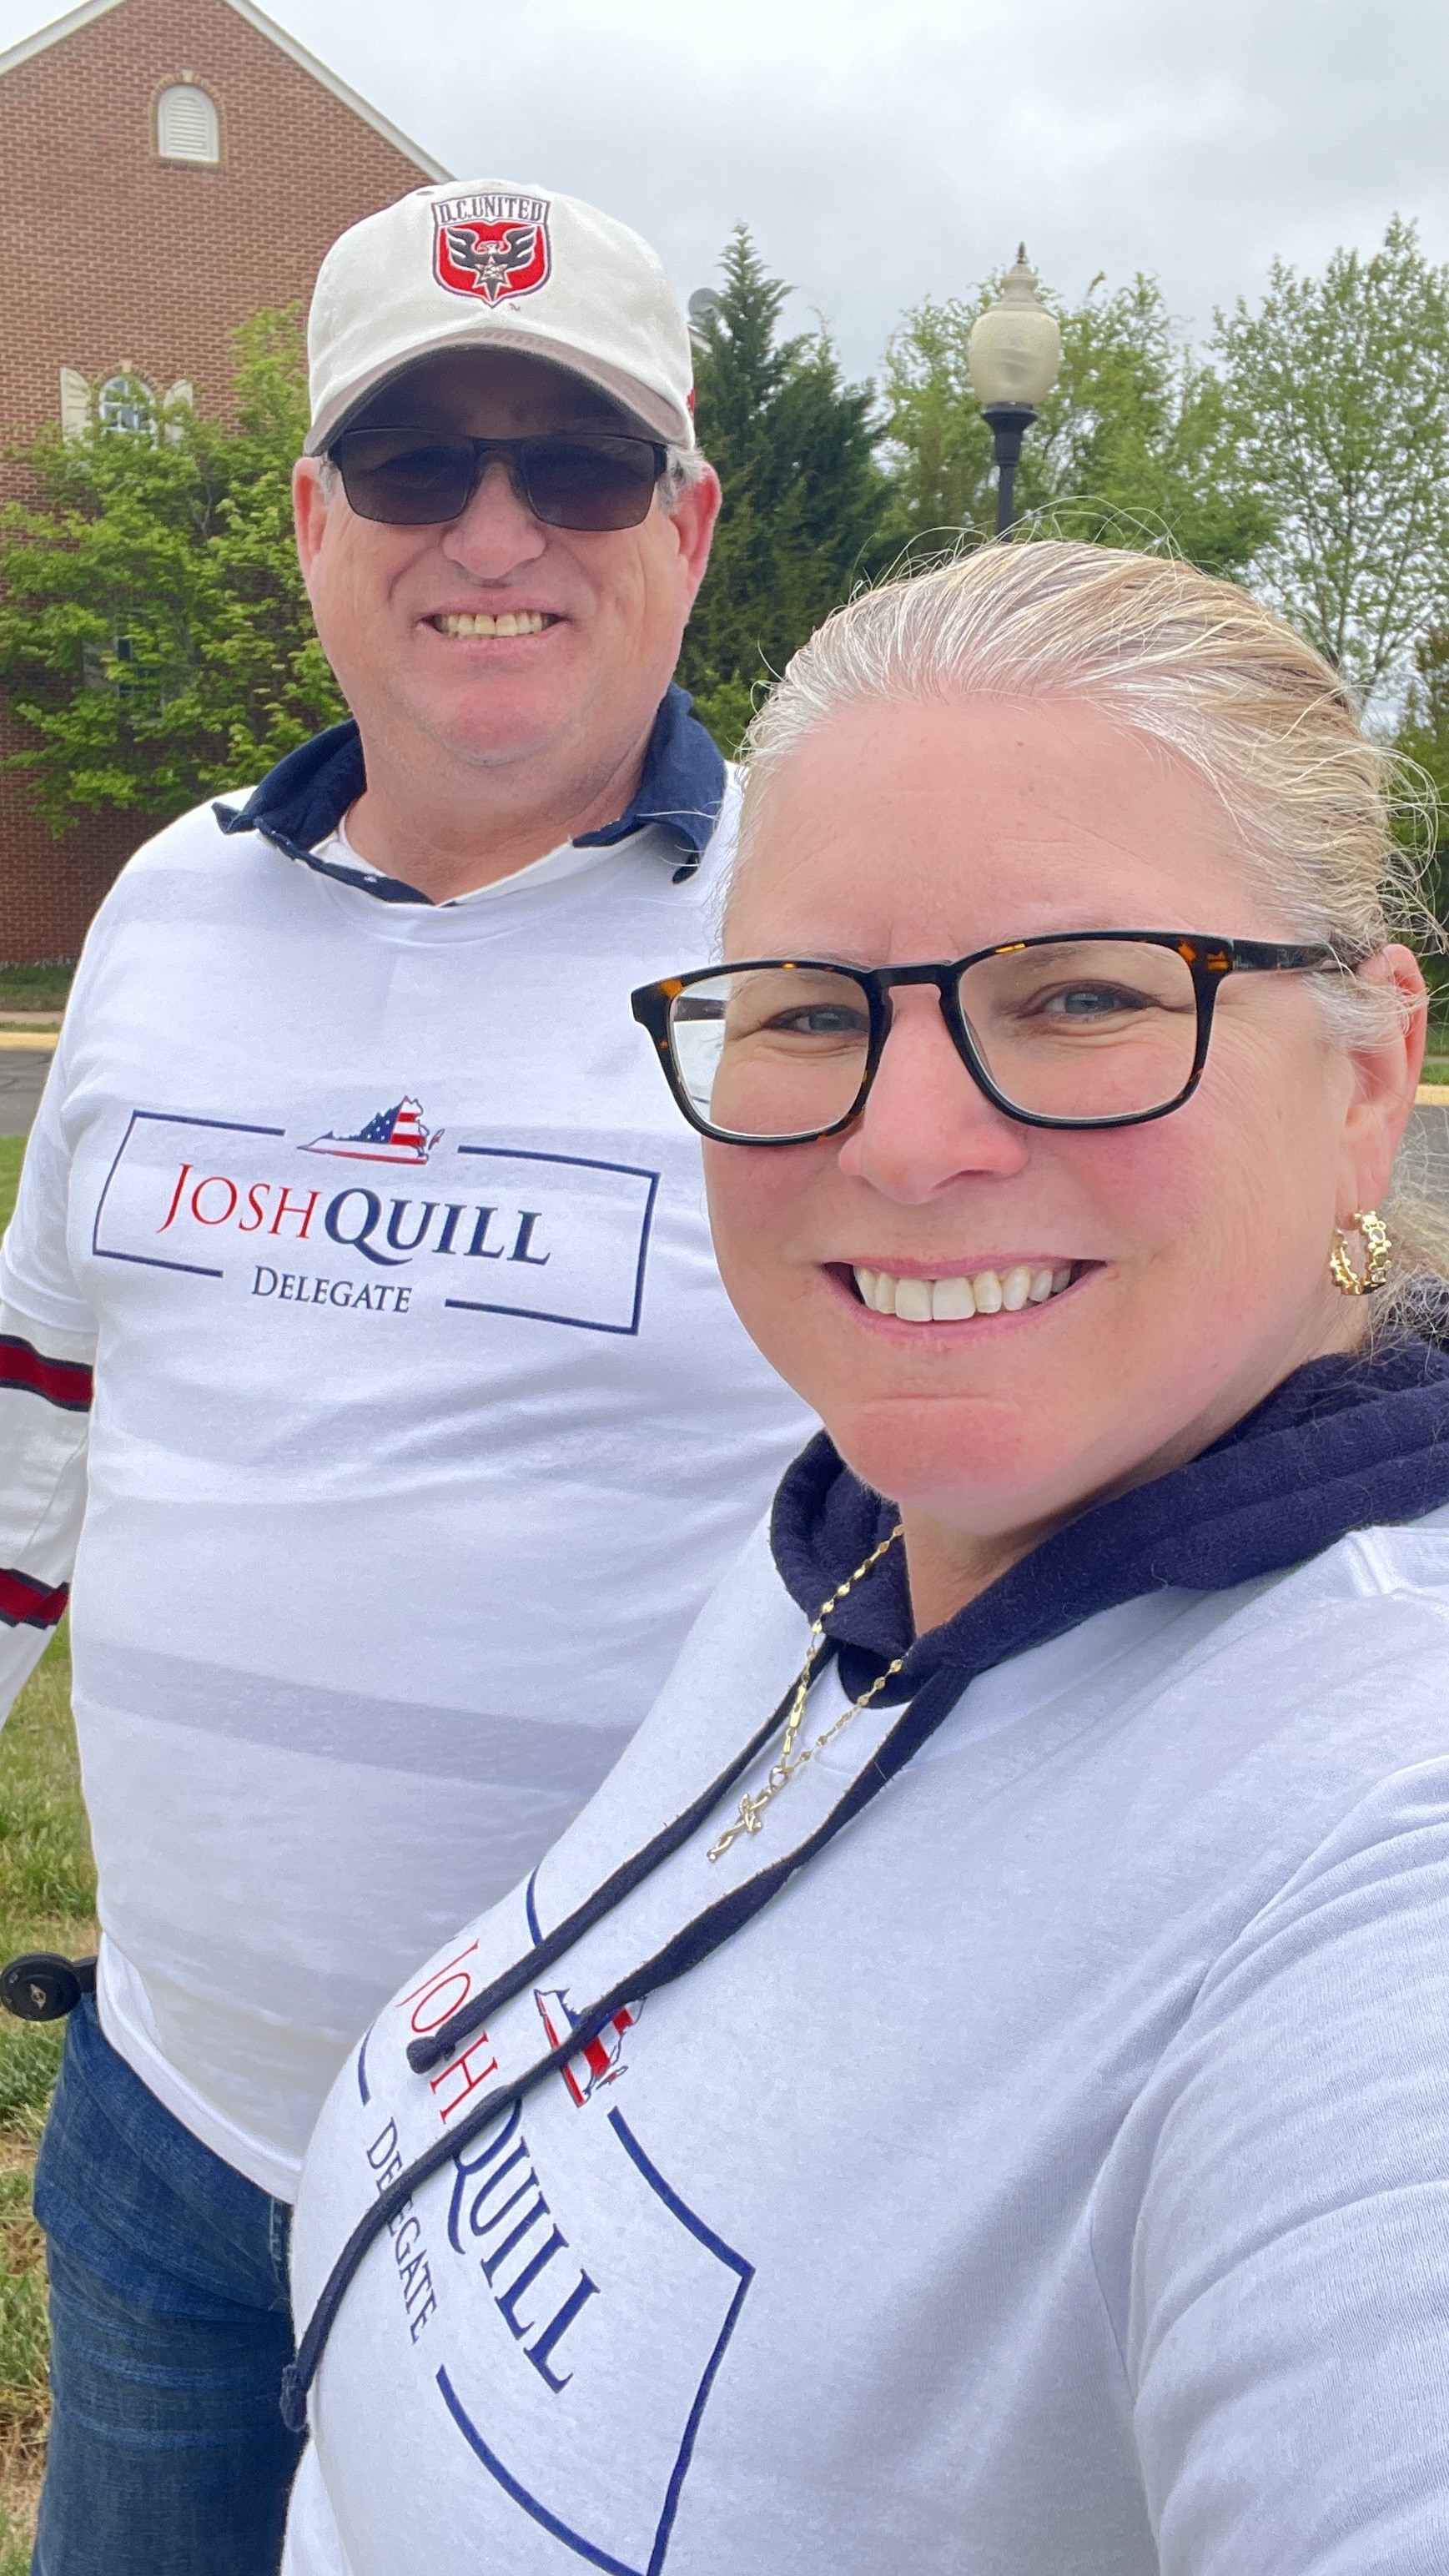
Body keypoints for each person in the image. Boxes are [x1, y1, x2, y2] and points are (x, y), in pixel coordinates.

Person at [283, 540, 1449, 2576]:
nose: (905, 1143)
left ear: (1361, 1078)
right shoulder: (854, 1546)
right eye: (813, 1009)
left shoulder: (1381, 1832)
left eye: (1081, 994)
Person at [2, 180, 810, 2574]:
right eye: (415, 461)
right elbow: (40, 1390)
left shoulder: (833, 938)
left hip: (629, 2177)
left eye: (575, 466)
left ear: (686, 526)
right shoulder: (163, 904)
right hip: (169, 2128)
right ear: (309, 524)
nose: (494, 531)